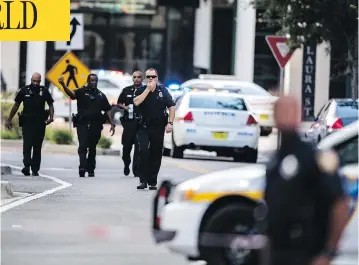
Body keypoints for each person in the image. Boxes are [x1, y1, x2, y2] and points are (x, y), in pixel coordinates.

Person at [264, 96, 350, 265]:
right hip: (278, 254)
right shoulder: (275, 161)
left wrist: (329, 251)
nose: (285, 116)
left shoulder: (315, 158)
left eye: (290, 111)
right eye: (280, 111)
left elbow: (340, 204)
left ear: (299, 115)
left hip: (307, 253)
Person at [58, 73, 116, 177]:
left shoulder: (101, 95)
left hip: (96, 125)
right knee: (83, 146)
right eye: (92, 81)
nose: (93, 83)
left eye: (95, 81)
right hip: (82, 123)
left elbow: (107, 110)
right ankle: (82, 167)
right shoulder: (81, 91)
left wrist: (112, 123)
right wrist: (63, 84)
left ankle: (91, 169)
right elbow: (72, 94)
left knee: (92, 148)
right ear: (88, 81)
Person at [133, 68, 175, 190]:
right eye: (148, 77)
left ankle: (152, 180)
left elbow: (171, 107)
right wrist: (147, 89)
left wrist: (170, 123)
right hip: (144, 126)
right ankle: (143, 180)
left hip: (158, 126)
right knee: (143, 151)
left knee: (156, 153)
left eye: (153, 76)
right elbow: (136, 102)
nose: (150, 79)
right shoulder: (141, 89)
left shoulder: (163, 90)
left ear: (157, 78)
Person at [5, 73, 54, 176]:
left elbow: (50, 105)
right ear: (31, 80)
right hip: (27, 122)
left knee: (37, 146)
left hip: (40, 123)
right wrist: (9, 119)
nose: (35, 83)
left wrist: (51, 118)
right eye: (34, 81)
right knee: (27, 145)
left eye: (38, 81)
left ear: (40, 81)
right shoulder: (24, 90)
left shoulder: (44, 91)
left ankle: (35, 169)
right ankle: (27, 166)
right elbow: (16, 105)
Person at [116, 71, 142, 177]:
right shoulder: (126, 90)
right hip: (129, 124)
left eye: (139, 77)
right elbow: (119, 103)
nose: (136, 79)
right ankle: (126, 164)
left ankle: (136, 169)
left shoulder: (145, 90)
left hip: (140, 123)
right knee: (126, 147)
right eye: (134, 77)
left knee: (138, 147)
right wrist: (124, 107)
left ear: (142, 78)